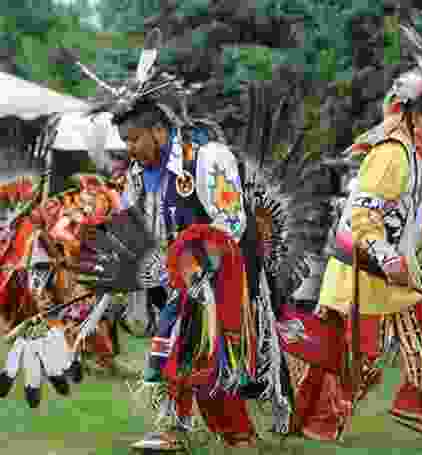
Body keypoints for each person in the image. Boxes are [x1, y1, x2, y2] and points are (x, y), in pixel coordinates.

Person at [63, 29, 292, 450]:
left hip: (225, 271)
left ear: (159, 130)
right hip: (180, 277)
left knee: (205, 356)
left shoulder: (207, 159)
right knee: (175, 349)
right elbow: (138, 227)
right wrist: (126, 274)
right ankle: (180, 428)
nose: (130, 148)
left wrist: (197, 268)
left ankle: (228, 434)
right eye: (125, 141)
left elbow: (232, 223)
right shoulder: (136, 174)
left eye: (135, 139)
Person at [282, 24, 422, 440]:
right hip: (362, 273)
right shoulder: (392, 155)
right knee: (352, 359)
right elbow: (361, 216)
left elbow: (418, 224)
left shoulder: (419, 158)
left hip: (395, 276)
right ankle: (305, 414)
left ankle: (414, 402)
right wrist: (388, 256)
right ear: (414, 117)